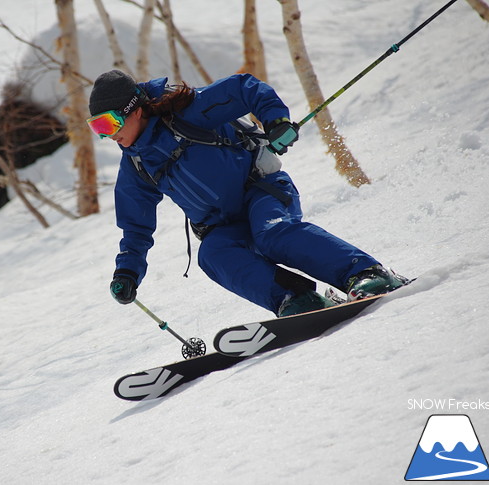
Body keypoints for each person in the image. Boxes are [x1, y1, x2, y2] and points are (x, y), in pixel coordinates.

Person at [87, 69, 407, 317]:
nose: (109, 136)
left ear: (135, 110)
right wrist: (127, 271)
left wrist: (276, 121)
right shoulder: (137, 164)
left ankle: (365, 273)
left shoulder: (187, 113)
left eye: (109, 124)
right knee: (212, 254)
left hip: (261, 190)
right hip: (223, 225)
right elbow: (135, 226)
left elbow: (243, 88)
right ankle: (296, 299)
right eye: (98, 130)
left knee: (273, 233)